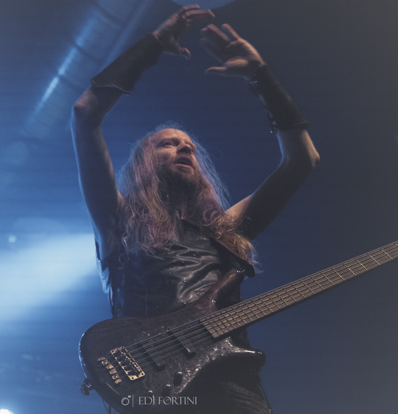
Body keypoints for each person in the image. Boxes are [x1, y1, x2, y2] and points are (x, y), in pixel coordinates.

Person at [71, 5, 319, 414]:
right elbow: (85, 113)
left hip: (234, 388)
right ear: (143, 162)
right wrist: (153, 44)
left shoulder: (224, 229)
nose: (184, 148)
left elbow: (302, 160)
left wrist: (262, 78)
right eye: (167, 144)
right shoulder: (119, 220)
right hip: (154, 388)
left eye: (188, 145)